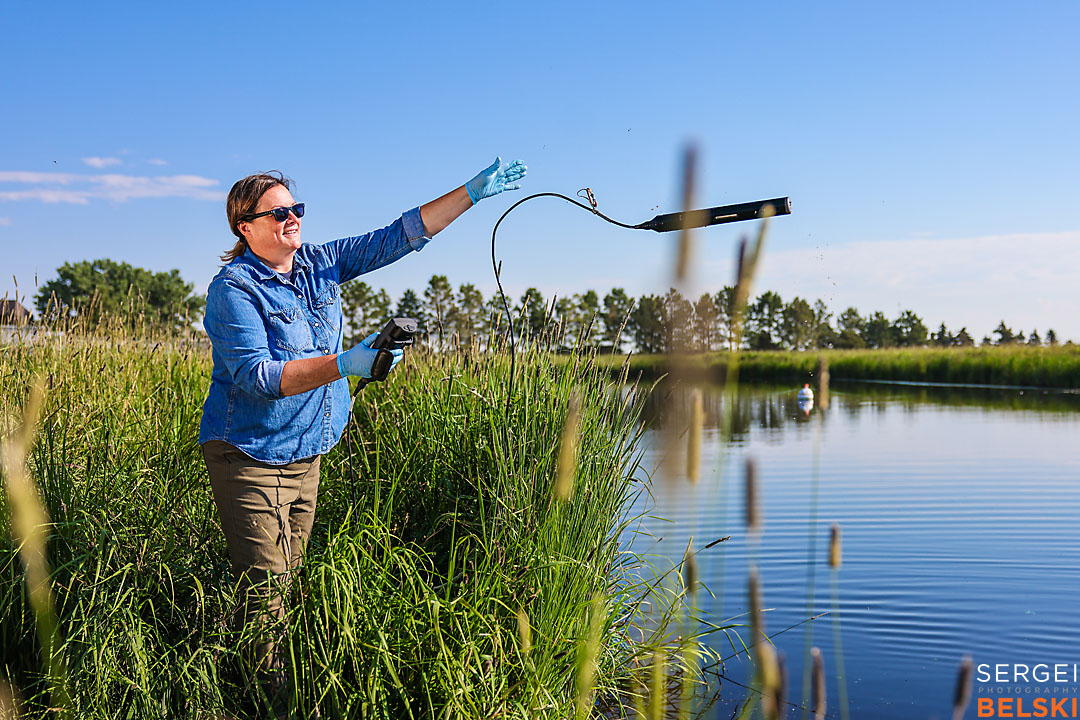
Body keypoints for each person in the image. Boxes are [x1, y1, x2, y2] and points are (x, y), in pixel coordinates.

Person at [198, 157, 526, 705]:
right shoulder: (233, 290)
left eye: (296, 209)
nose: (292, 219)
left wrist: (470, 193)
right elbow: (257, 378)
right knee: (266, 592)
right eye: (277, 213)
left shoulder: (319, 264)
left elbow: (397, 236)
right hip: (250, 455)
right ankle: (265, 703)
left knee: (290, 581)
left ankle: (269, 690)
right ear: (244, 226)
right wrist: (344, 363)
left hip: (308, 452)